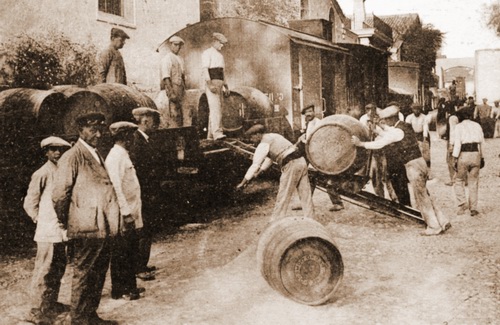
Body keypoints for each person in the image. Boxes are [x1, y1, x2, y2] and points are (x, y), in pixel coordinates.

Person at [52, 113, 119, 324]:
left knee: (98, 272)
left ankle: (91, 315)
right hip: (85, 226)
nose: (98, 134)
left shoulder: (96, 153)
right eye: (92, 130)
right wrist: (66, 221)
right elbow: (59, 195)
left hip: (101, 225)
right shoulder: (72, 156)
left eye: (100, 129)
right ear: (80, 130)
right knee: (84, 273)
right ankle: (80, 319)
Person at [352, 105, 451, 236]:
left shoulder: (397, 131)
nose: (384, 122)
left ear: (391, 119)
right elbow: (389, 132)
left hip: (412, 166)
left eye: (385, 120)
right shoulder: (404, 126)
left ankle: (433, 226)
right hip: (420, 162)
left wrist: (361, 144)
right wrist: (379, 129)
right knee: (425, 194)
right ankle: (442, 220)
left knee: (421, 197)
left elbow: (382, 142)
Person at [24, 136, 71, 324]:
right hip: (47, 229)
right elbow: (30, 202)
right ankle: (36, 310)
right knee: (44, 269)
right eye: (53, 149)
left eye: (60, 149)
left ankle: (50, 303)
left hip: (60, 230)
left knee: (57, 268)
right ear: (46, 152)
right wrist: (39, 219)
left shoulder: (63, 171)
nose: (57, 153)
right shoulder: (41, 173)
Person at [236, 124, 315, 220]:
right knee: (305, 193)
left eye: (252, 137)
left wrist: (243, 182)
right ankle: (310, 218)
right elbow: (270, 159)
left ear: (257, 134)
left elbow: (255, 164)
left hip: (291, 164)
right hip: (301, 161)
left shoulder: (263, 143)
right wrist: (260, 172)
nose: (252, 140)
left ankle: (275, 221)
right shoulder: (274, 136)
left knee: (283, 195)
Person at [105, 121, 145, 301]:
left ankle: (126, 286)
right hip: (124, 213)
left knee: (128, 249)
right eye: (130, 136)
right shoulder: (115, 157)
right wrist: (126, 212)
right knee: (123, 251)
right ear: (125, 137)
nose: (132, 139)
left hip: (131, 210)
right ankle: (123, 289)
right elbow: (116, 187)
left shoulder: (122, 155)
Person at [130, 107, 161, 281]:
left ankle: (143, 263)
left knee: (147, 229)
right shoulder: (137, 140)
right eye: (152, 119)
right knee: (143, 230)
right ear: (144, 121)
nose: (154, 123)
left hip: (148, 193)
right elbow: (138, 169)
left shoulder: (145, 140)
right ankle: (139, 267)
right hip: (143, 194)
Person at [298, 104, 344, 211]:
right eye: (306, 113)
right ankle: (305, 202)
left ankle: (338, 203)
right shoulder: (309, 123)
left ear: (314, 112)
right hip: (314, 156)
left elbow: (318, 139)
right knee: (310, 179)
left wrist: (304, 141)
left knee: (329, 180)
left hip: (322, 157)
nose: (308, 114)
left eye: (310, 111)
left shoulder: (319, 123)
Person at [359, 103, 397, 200]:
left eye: (373, 110)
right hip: (372, 150)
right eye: (368, 110)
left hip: (384, 149)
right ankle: (380, 197)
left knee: (387, 174)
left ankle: (395, 198)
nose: (370, 112)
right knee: (375, 174)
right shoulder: (363, 119)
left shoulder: (382, 118)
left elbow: (388, 133)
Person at [453, 107, 485, 217]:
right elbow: (482, 143)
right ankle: (474, 208)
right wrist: (482, 157)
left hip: (464, 154)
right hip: (476, 154)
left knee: (458, 180)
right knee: (474, 182)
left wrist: (454, 158)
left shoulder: (459, 127)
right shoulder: (477, 126)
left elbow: (457, 144)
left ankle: (462, 204)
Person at [202, 32, 230, 141]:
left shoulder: (220, 56)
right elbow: (205, 70)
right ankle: (217, 133)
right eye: (220, 43)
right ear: (214, 41)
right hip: (212, 82)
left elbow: (223, 72)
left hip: (219, 83)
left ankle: (210, 135)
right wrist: (209, 84)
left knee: (218, 108)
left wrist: (226, 86)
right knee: (215, 108)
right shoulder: (207, 53)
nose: (222, 46)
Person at [158, 35, 186, 128]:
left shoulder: (180, 59)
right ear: (171, 45)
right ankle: (174, 130)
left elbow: (182, 75)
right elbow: (166, 77)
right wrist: (171, 91)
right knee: (173, 112)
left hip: (180, 88)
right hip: (173, 87)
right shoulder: (167, 58)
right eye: (175, 45)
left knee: (181, 112)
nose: (177, 47)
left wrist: (184, 87)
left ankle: (180, 132)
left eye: (179, 45)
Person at [405, 103, 432, 168]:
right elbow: (408, 129)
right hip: (413, 135)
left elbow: (425, 127)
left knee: (425, 153)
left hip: (422, 134)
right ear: (412, 110)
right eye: (415, 109)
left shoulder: (424, 117)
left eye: (418, 109)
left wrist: (425, 138)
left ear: (420, 110)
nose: (417, 111)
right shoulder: (409, 117)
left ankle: (427, 168)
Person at [445, 111, 460, 186]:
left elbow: (452, 131)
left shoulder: (452, 118)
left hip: (453, 141)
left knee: (450, 160)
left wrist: (451, 144)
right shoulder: (456, 117)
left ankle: (453, 179)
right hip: (457, 140)